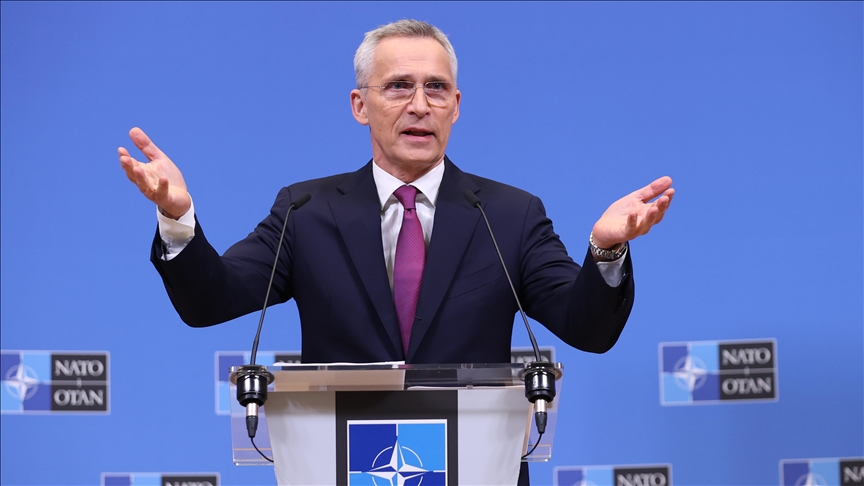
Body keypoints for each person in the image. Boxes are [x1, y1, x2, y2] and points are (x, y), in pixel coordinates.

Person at [118, 19, 673, 484]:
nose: (420, 105)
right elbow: (211, 300)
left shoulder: (510, 214)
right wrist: (177, 220)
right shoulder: (305, 211)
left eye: (436, 88)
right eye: (399, 86)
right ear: (360, 105)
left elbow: (587, 329)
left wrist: (606, 250)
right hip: (342, 467)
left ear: (456, 106)